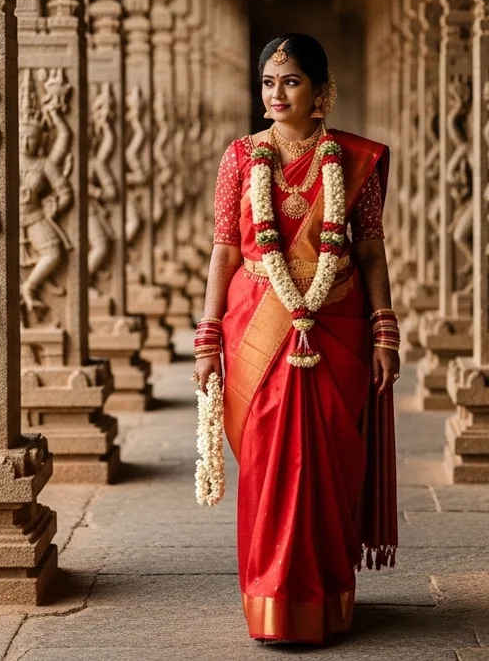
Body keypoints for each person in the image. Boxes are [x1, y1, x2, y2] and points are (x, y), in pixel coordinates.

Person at [192, 33, 400, 644]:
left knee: (331, 465)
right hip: (258, 325)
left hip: (336, 327)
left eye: (291, 81)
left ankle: (326, 602)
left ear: (320, 92)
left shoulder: (350, 159)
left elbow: (369, 252)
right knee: (266, 468)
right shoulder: (240, 157)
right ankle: (271, 603)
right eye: (268, 82)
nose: (277, 94)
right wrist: (207, 340)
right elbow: (225, 250)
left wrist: (384, 329)